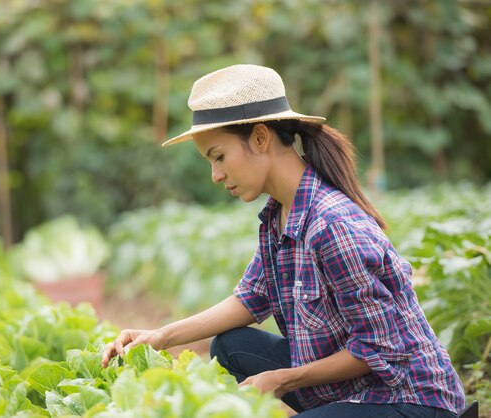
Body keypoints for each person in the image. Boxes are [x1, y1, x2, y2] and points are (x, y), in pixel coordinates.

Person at [102, 64, 466, 417]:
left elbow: (378, 348)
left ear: (260, 138)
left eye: (219, 157)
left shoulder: (332, 225)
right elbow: (250, 299)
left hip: (408, 398)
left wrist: (281, 379)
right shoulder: (278, 215)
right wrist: (161, 336)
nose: (215, 175)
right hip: (350, 388)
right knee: (230, 345)